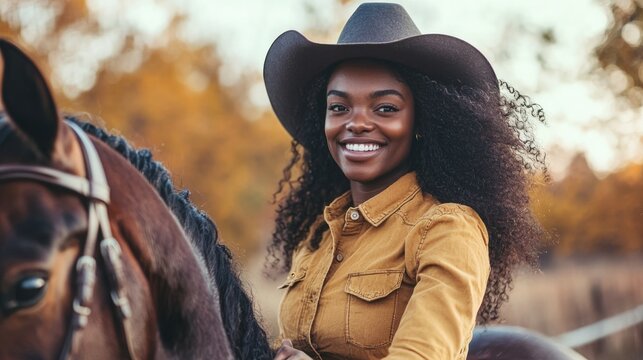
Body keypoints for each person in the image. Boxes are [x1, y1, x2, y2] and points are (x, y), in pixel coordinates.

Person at [263, 3, 547, 359]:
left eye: (385, 108)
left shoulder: (447, 230)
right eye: (339, 107)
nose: (357, 123)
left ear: (422, 122)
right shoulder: (318, 237)